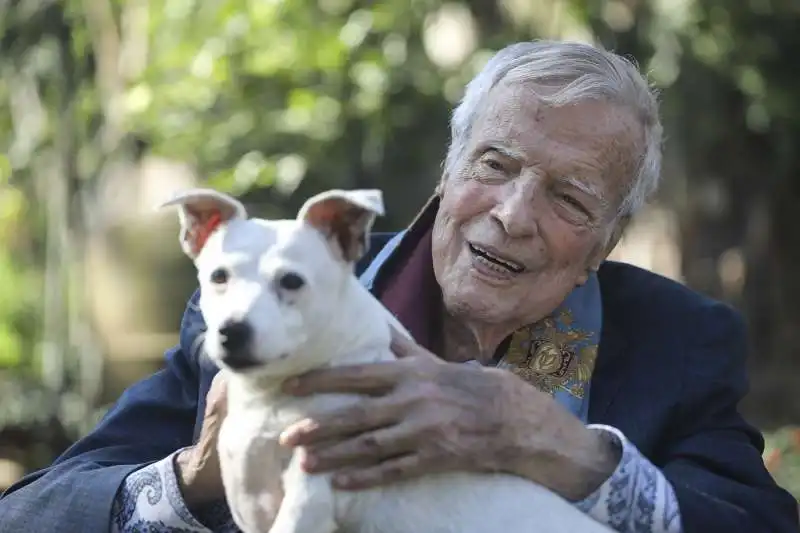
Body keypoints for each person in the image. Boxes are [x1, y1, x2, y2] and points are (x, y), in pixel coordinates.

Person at [1, 40, 796, 533]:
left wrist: (569, 451)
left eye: (570, 198)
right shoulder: (271, 302)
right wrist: (197, 475)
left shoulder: (677, 340)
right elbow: (32, 513)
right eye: (496, 165)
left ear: (604, 244)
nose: (514, 214)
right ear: (448, 174)